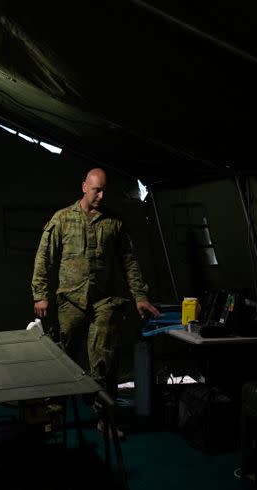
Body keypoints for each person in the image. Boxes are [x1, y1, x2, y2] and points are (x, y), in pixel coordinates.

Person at [31, 168, 160, 437]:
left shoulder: (114, 223)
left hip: (104, 302)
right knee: (63, 361)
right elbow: (44, 257)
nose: (101, 195)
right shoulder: (63, 219)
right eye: (96, 190)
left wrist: (140, 296)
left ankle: (106, 419)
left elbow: (129, 262)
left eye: (104, 190)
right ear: (83, 187)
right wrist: (40, 295)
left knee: (103, 362)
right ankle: (52, 417)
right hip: (70, 302)